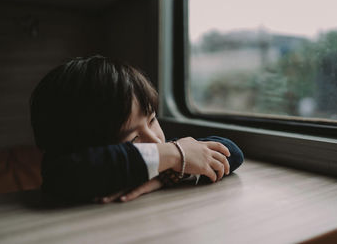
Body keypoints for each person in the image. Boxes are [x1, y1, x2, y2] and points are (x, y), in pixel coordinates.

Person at [30, 55, 243, 203]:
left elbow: (231, 152)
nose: (156, 142)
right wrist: (173, 154)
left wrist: (170, 168)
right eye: (132, 138)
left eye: (152, 121)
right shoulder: (70, 168)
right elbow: (62, 174)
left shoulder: (162, 151)